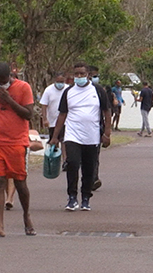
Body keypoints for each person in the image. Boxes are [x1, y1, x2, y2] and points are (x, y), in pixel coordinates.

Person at [0, 62, 35, 237]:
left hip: (17, 143)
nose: (0, 84)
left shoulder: (23, 87)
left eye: (4, 81)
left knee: (20, 182)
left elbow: (28, 114)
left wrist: (9, 100)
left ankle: (26, 216)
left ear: (10, 77)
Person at [50, 62, 112, 211]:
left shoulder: (98, 91)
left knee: (89, 168)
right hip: (73, 134)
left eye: (82, 74)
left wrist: (107, 133)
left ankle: (85, 198)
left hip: (92, 136)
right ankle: (72, 197)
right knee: (72, 163)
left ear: (88, 75)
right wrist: (55, 137)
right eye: (76, 74)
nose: (79, 77)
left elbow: (107, 112)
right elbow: (62, 114)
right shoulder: (68, 91)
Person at [40, 73, 68, 169]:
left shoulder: (68, 89)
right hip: (52, 121)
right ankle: (54, 162)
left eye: (62, 82)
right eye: (58, 81)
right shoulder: (48, 90)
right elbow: (44, 105)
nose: (60, 84)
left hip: (66, 121)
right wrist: (45, 119)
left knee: (64, 141)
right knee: (54, 141)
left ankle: (65, 161)